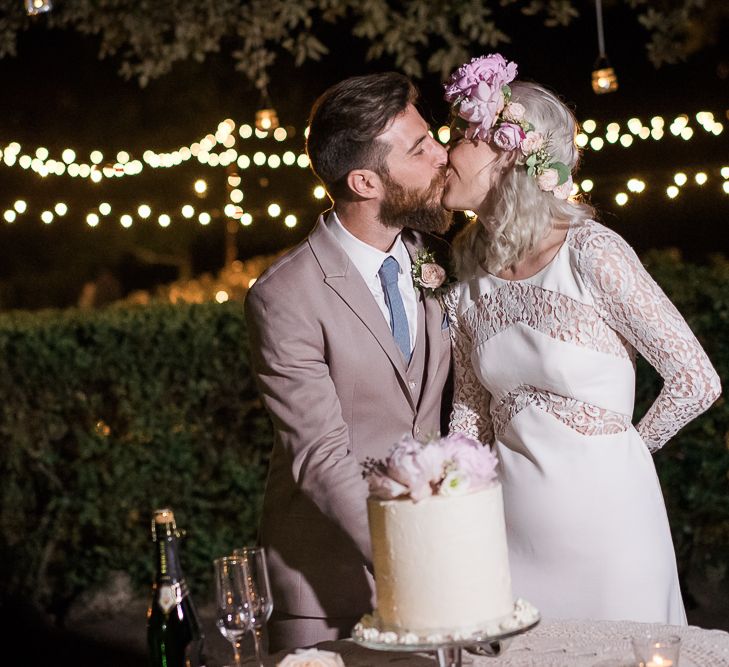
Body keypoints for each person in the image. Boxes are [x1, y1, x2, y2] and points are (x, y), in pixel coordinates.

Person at [441, 54, 721, 624]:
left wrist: (623, 454)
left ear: (508, 155)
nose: (448, 152)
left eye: (463, 138)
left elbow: (697, 379)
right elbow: (470, 411)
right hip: (511, 538)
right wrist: (453, 500)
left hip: (613, 533)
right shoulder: (466, 272)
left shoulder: (591, 252)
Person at [244, 72, 454, 651]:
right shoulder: (284, 295)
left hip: (437, 571)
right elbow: (320, 456)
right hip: (329, 591)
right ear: (365, 180)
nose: (443, 155)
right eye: (421, 148)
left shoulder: (433, 262)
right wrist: (410, 560)